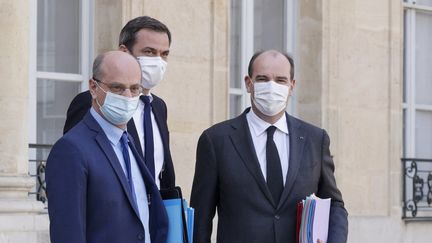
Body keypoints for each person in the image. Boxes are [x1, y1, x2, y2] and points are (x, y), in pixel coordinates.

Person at [190, 50, 348, 243]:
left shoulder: (315, 139)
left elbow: (334, 205)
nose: (272, 86)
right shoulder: (216, 140)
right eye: (263, 79)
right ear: (249, 83)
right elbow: (200, 218)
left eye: (281, 80)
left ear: (292, 86)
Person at [46, 51, 168, 243]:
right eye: (117, 88)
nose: (128, 97)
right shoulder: (71, 150)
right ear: (93, 87)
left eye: (135, 88)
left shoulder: (128, 142)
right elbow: (68, 233)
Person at [63, 16, 174, 190]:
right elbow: (75, 165)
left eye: (164, 54)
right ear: (124, 51)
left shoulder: (159, 107)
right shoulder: (93, 101)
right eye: (149, 52)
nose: (158, 61)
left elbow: (162, 172)